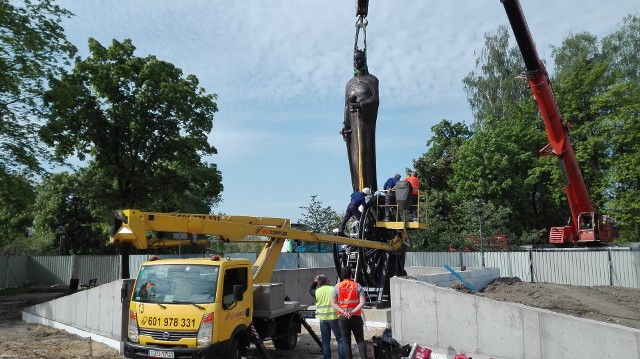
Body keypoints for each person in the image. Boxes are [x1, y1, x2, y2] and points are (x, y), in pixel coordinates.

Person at [341, 49, 380, 193]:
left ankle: (368, 189)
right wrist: (345, 125)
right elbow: (346, 105)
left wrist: (361, 105)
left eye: (358, 59)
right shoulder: (349, 83)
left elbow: (375, 100)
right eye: (354, 59)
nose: (356, 62)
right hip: (352, 123)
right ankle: (356, 190)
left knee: (365, 153)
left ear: (364, 60)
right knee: (353, 158)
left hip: (364, 123)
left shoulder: (372, 80)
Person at [331, 266, 368, 359]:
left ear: (342, 276)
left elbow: (333, 303)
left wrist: (343, 311)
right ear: (351, 275)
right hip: (356, 316)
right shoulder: (357, 285)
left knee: (346, 342)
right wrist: (353, 311)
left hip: (343, 318)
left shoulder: (337, 286)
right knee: (360, 340)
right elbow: (363, 302)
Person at [310, 275, 345, 359]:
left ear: (319, 283)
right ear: (327, 281)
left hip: (323, 319)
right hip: (334, 318)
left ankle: (327, 357)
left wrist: (315, 282)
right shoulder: (334, 289)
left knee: (325, 341)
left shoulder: (317, 291)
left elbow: (310, 290)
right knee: (340, 339)